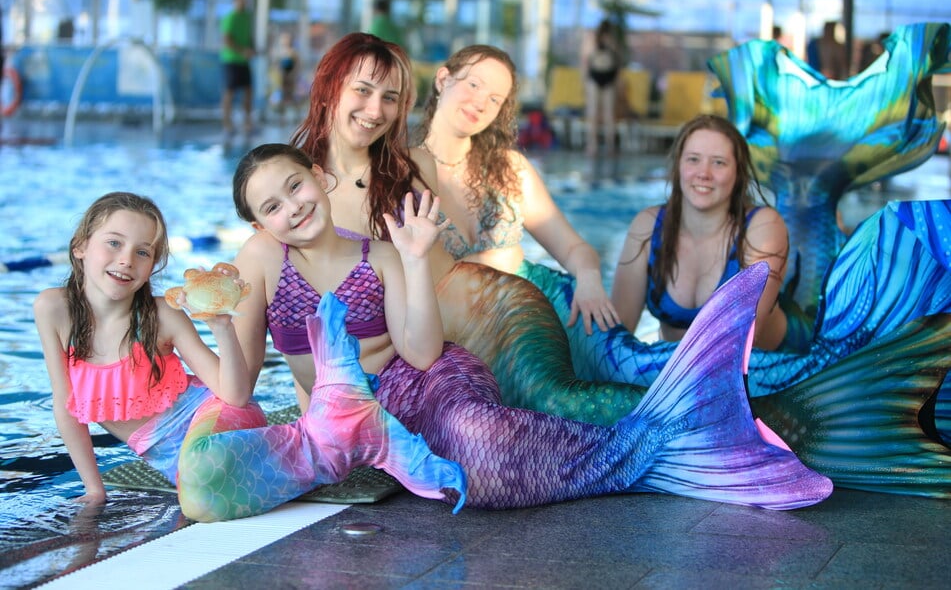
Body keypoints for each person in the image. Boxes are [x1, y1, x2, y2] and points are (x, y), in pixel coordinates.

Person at [230, 142, 833, 511]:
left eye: (295, 186)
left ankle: (658, 448)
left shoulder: (382, 253)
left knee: (483, 454)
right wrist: (211, 322)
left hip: (420, 383)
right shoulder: (259, 261)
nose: (293, 207)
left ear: (319, 175)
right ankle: (668, 444)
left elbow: (419, 353)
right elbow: (239, 386)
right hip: (358, 423)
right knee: (474, 475)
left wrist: (415, 259)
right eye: (271, 207)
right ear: (257, 223)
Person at [35, 191, 465, 523]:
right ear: (80, 247)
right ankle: (339, 426)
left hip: (216, 419)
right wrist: (95, 491)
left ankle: (338, 438)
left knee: (201, 491)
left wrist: (222, 326)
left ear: (153, 266)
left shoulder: (162, 315)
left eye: (142, 252)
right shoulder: (53, 309)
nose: (126, 260)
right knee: (201, 488)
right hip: (177, 458)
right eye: (113, 243)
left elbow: (234, 395)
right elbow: (65, 407)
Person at [413, 43, 619, 335]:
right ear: (442, 79)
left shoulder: (511, 169)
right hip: (454, 340)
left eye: (495, 99)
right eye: (473, 85)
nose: (481, 103)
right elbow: (406, 279)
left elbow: (573, 247)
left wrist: (589, 279)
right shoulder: (403, 172)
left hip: (532, 325)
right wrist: (495, 260)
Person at [611, 114, 791, 351]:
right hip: (675, 374)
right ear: (678, 167)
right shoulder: (648, 226)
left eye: (718, 162)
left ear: (738, 174)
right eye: (693, 159)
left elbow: (742, 341)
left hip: (774, 371)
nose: (703, 173)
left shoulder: (761, 227)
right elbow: (617, 336)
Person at [581, 19, 623, 158]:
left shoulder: (613, 41)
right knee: (593, 112)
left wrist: (618, 81)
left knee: (609, 113)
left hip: (608, 76)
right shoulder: (592, 39)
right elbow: (586, 59)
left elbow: (618, 61)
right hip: (595, 76)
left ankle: (609, 144)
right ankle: (592, 144)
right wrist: (584, 79)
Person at [221, 0, 255, 136]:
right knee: (230, 91)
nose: (243, 3)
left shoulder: (247, 17)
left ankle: (247, 121)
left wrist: (252, 49)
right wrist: (242, 51)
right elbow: (227, 39)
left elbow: (248, 37)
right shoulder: (230, 18)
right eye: (241, 0)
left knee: (248, 91)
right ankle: (227, 123)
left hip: (244, 61)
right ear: (235, 1)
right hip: (231, 60)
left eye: (245, 0)